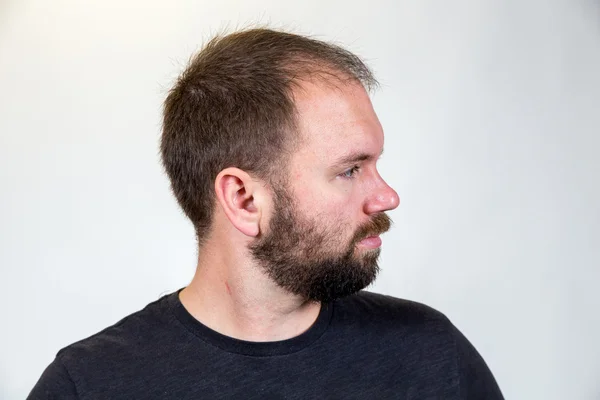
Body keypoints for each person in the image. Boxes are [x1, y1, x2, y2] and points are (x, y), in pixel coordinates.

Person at [28, 28, 504, 399]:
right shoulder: (89, 386)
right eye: (350, 170)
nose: (387, 196)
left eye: (375, 164)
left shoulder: (431, 353)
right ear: (244, 200)